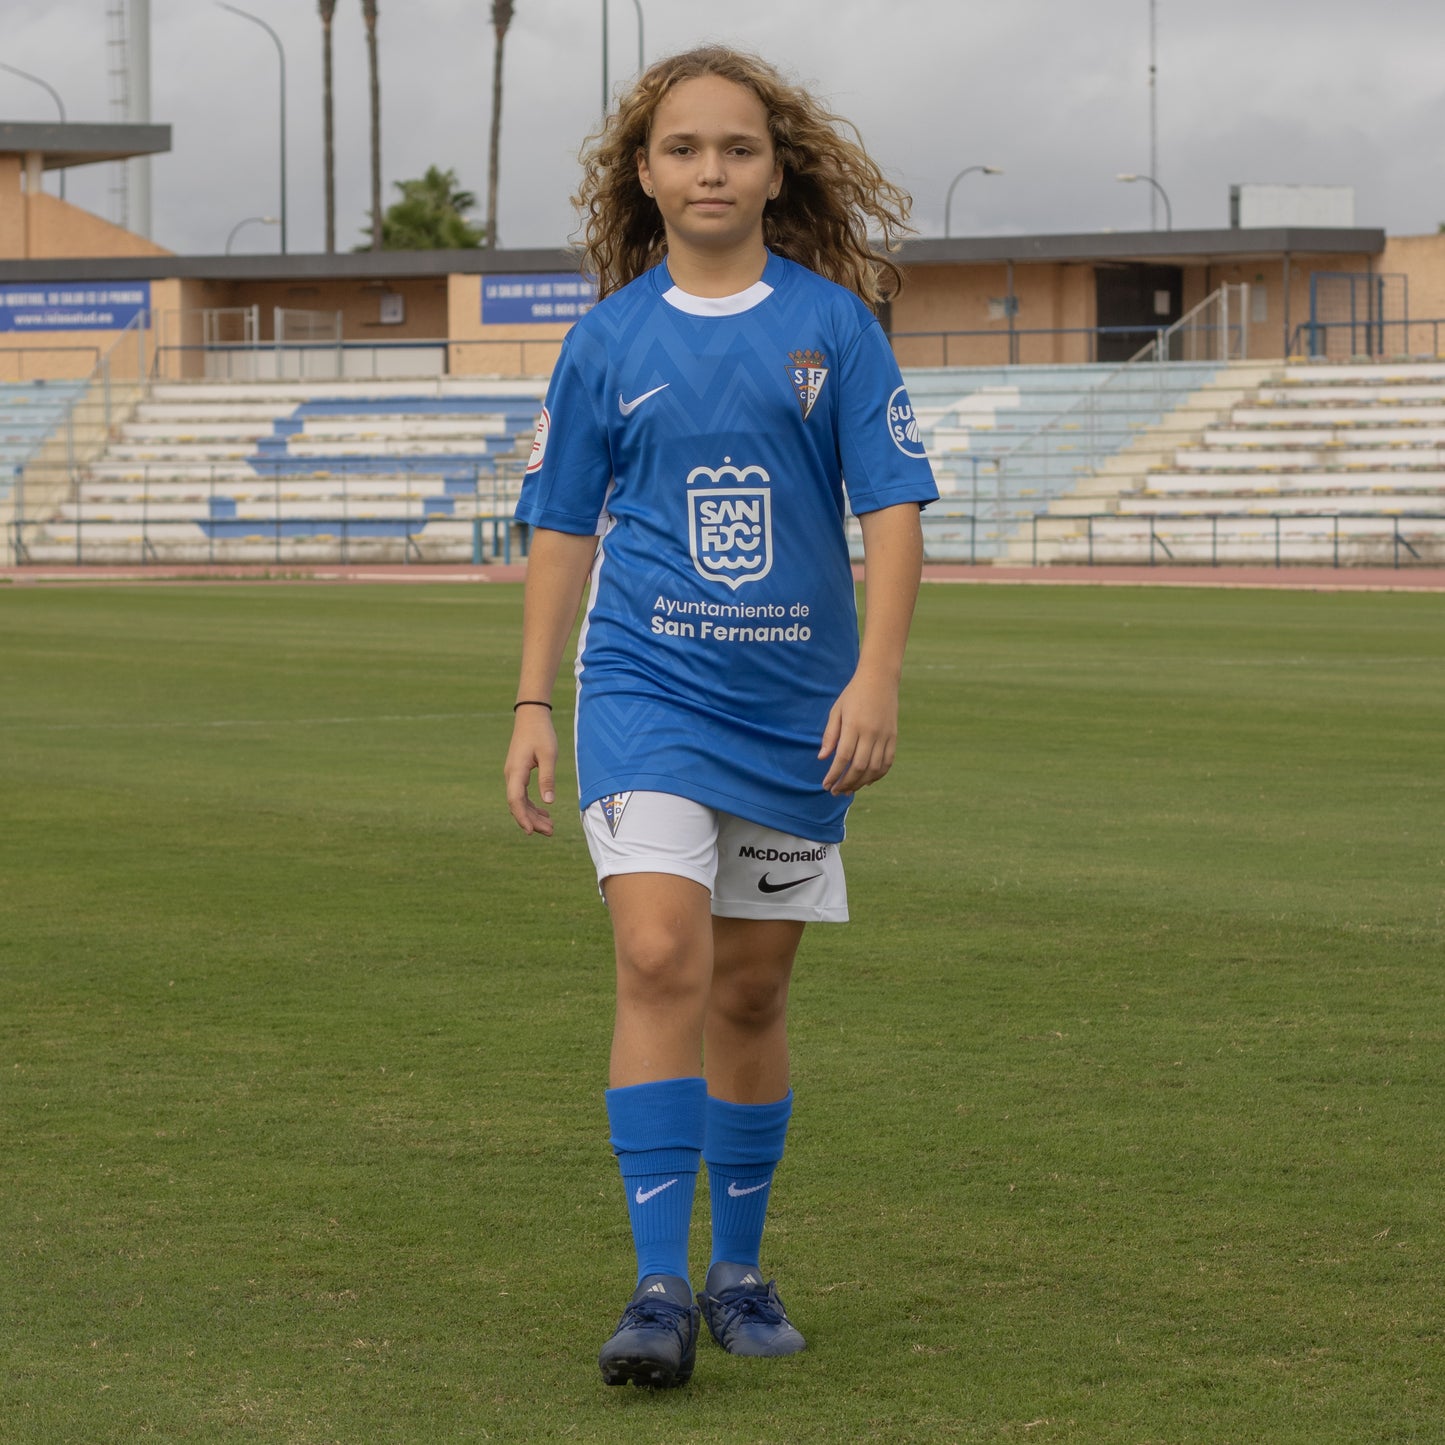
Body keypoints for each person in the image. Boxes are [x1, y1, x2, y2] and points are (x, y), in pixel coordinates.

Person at [503, 44, 938, 1390]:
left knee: (749, 987)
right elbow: (562, 525)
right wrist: (534, 696)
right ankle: (651, 1289)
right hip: (644, 690)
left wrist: (875, 677)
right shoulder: (608, 339)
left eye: (734, 148)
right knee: (656, 954)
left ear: (772, 168)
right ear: (642, 173)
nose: (709, 170)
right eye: (683, 149)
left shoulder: (833, 326)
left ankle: (737, 1269)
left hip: (794, 711)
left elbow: (894, 508)